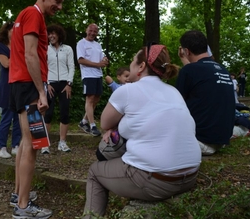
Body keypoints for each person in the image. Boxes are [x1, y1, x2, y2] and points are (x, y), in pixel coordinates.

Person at [83, 44, 201, 218]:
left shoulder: (127, 90)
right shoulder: (173, 92)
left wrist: (115, 126)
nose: (130, 63)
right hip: (190, 176)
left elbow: (105, 123)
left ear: (141, 66)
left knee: (95, 171)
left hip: (156, 181)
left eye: (133, 60)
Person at [8, 0, 64, 219]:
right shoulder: (34, 14)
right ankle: (22, 208)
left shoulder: (24, 14)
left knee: (24, 143)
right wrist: (41, 92)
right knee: (34, 144)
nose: (59, 7)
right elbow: (31, 54)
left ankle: (18, 195)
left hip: (20, 84)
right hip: (29, 87)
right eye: (57, 1)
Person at [176, 30, 235, 156]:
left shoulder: (189, 71)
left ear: (187, 51)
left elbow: (176, 104)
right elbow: (198, 74)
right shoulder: (222, 70)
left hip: (199, 140)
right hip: (221, 140)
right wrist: (184, 60)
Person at [41, 24, 75, 154]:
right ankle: (45, 144)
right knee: (48, 114)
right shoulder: (45, 49)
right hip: (50, 84)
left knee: (64, 113)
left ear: (59, 35)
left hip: (64, 84)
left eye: (53, 33)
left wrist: (69, 84)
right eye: (49, 34)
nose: (51, 36)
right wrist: (47, 83)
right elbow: (42, 67)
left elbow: (71, 66)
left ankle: (62, 142)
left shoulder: (67, 49)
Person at [0, 22, 22, 159]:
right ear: (7, 31)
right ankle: (1, 147)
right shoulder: (1, 47)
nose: (16, 31)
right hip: (7, 87)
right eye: (13, 29)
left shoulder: (19, 46)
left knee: (18, 117)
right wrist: (19, 58)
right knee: (7, 117)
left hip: (19, 86)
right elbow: (6, 63)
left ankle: (16, 145)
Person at [76, 23, 109, 137]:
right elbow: (81, 60)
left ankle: (83, 122)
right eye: (91, 30)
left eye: (95, 31)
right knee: (90, 99)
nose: (92, 33)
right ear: (86, 30)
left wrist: (104, 59)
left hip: (98, 75)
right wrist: (98, 64)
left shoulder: (98, 45)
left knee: (96, 99)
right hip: (88, 75)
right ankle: (92, 125)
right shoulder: (81, 43)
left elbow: (102, 58)